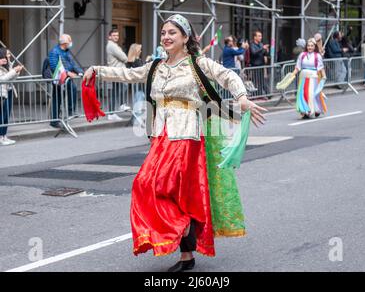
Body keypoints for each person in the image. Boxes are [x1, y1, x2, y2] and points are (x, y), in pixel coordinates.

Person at [83, 14, 266, 272]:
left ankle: (185, 249)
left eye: (172, 33)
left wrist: (242, 97)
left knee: (169, 188)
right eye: (164, 33)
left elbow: (228, 77)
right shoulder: (156, 66)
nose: (166, 37)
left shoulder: (197, 64)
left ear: (185, 37)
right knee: (146, 185)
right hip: (160, 136)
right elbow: (128, 74)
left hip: (187, 136)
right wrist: (97, 70)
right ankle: (185, 241)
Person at [49, 34, 83, 127]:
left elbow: (73, 65)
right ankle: (54, 121)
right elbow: (54, 66)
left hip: (66, 79)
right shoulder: (54, 52)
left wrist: (80, 72)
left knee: (73, 89)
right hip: (58, 80)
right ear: (65, 42)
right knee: (57, 99)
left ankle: (71, 110)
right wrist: (68, 73)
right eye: (70, 40)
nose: (71, 42)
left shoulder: (67, 52)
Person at [290, 38, 327, 119]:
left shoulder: (317, 56)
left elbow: (321, 68)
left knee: (312, 95)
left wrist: (324, 76)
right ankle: (305, 111)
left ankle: (316, 110)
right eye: (308, 46)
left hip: (313, 79)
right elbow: (297, 67)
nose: (310, 47)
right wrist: (291, 76)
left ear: (314, 47)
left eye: (312, 46)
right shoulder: (302, 55)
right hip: (303, 79)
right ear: (306, 46)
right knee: (303, 95)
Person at [106, 29, 131, 121]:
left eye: (117, 35)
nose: (116, 37)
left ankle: (114, 111)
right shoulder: (112, 46)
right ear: (109, 36)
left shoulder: (113, 45)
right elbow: (124, 58)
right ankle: (119, 106)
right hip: (116, 71)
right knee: (119, 90)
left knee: (116, 91)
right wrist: (125, 57)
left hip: (116, 71)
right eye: (114, 35)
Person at [0, 47, 23, 145]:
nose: (9, 56)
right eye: (8, 54)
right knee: (2, 116)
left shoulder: (6, 65)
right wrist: (14, 70)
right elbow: (3, 79)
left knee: (6, 116)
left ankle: (4, 136)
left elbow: (11, 79)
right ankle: (1, 137)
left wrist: (17, 72)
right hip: (2, 93)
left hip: (8, 92)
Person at [250, 30, 270, 97]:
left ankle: (264, 94)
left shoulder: (261, 44)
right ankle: (256, 94)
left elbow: (264, 54)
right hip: (255, 65)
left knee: (262, 80)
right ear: (255, 37)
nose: (260, 37)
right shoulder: (252, 45)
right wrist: (262, 48)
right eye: (259, 36)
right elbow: (254, 53)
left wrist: (266, 51)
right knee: (256, 81)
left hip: (261, 65)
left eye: (261, 36)